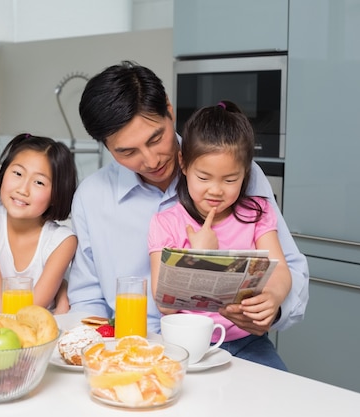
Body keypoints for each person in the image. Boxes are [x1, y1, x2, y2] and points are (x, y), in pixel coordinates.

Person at [67, 61, 309, 365]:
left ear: (169, 110)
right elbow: (88, 299)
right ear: (106, 146)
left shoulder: (233, 174)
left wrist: (270, 308)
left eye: (156, 138)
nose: (151, 160)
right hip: (134, 352)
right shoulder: (92, 198)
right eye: (127, 152)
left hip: (234, 351)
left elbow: (290, 270)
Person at [147, 100, 292, 369]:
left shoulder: (256, 213)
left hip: (248, 342)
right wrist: (199, 255)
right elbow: (164, 304)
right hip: (185, 344)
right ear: (184, 164)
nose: (216, 190)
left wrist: (273, 297)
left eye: (229, 180)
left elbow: (281, 270)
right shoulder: (165, 223)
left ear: (245, 174)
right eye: (204, 178)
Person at [0, 133, 78, 314]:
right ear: (3, 173)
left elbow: (31, 313)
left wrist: (63, 293)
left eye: (39, 182)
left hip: (34, 334)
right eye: (18, 173)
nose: (23, 189)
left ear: (56, 194)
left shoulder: (63, 242)